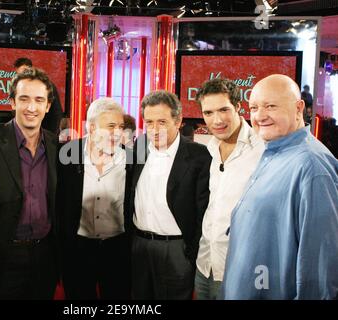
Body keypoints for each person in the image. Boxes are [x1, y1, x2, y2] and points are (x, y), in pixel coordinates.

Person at [221, 74, 338, 299]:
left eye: (270, 106)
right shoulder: (275, 150)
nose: (260, 116)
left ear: (299, 108)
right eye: (254, 108)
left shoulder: (312, 167)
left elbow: (320, 273)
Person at [0, 68, 59, 299]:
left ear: (48, 106)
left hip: (46, 255)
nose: (31, 108)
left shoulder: (58, 147)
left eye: (39, 100)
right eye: (24, 99)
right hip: (2, 254)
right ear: (11, 102)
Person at [127, 90, 211, 299]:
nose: (155, 130)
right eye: (149, 122)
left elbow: (203, 211)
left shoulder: (199, 156)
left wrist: (189, 253)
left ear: (178, 120)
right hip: (139, 246)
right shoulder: (139, 146)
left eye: (162, 122)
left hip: (176, 250)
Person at [194, 78, 264, 300]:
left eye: (224, 110)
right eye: (208, 112)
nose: (217, 120)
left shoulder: (262, 148)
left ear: (238, 108)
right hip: (204, 263)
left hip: (240, 267)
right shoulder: (210, 148)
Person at [58, 97, 131, 299]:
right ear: (91, 128)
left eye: (120, 126)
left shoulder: (131, 159)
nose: (117, 132)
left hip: (117, 251)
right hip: (78, 251)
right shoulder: (65, 155)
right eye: (110, 126)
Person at [14, 58, 63, 134]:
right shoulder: (17, 88)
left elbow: (57, 112)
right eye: (19, 74)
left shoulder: (46, 86)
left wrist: (50, 135)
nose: (31, 108)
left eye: (39, 100)